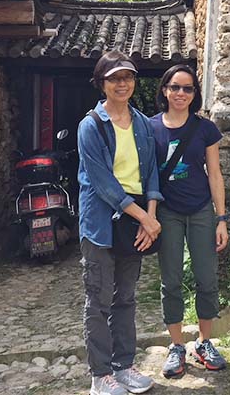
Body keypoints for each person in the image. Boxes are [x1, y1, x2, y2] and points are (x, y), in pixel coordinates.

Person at [77, 51, 163, 395]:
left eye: (127, 77)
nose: (122, 83)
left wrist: (151, 216)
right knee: (98, 298)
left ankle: (123, 366)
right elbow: (103, 183)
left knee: (126, 297)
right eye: (114, 78)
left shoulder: (142, 122)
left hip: (137, 221)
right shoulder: (91, 126)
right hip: (101, 222)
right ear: (102, 84)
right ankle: (100, 375)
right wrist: (144, 217)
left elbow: (152, 171)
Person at [148, 64, 229, 378]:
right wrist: (150, 217)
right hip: (167, 212)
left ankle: (205, 342)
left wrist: (221, 218)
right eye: (175, 87)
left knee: (207, 279)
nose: (181, 93)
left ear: (194, 94)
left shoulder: (205, 128)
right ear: (165, 90)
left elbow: (215, 175)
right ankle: (177, 345)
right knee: (171, 282)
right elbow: (148, 176)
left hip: (200, 211)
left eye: (188, 89)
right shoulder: (150, 128)